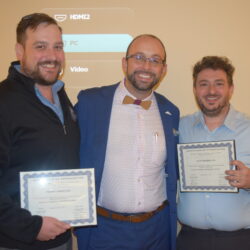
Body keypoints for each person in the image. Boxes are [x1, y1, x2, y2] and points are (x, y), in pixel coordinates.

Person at [75, 34, 179, 250]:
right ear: (125, 63)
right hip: (104, 230)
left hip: (156, 231)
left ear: (163, 69)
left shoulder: (171, 112)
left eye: (155, 60)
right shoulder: (90, 103)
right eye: (139, 57)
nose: (146, 66)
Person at [0, 13, 79, 250]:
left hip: (62, 237)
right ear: (19, 51)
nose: (52, 56)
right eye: (40, 46)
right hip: (19, 242)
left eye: (58, 47)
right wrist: (31, 227)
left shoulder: (61, 96)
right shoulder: (3, 101)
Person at [177, 56, 250, 250]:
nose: (211, 91)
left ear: (231, 89)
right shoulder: (180, 127)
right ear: (194, 90)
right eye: (203, 84)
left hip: (240, 241)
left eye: (219, 84)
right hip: (190, 240)